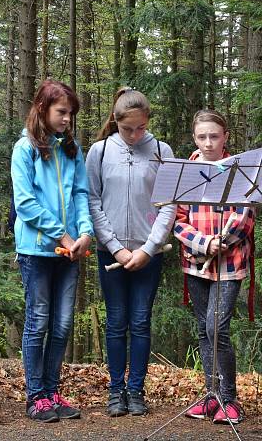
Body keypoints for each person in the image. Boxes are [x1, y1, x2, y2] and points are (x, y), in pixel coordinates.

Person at [85, 88, 176, 417]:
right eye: (128, 129)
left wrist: (148, 249)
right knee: (116, 321)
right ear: (116, 121)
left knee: (140, 321)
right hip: (111, 252)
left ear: (148, 121)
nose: (135, 135)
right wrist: (116, 248)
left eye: (141, 128)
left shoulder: (162, 151)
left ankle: (136, 390)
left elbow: (168, 205)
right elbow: (92, 201)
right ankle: (115, 391)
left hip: (149, 253)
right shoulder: (100, 150)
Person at [11, 79, 93, 423]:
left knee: (62, 325)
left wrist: (85, 232)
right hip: (36, 251)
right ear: (42, 109)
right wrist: (61, 235)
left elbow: (80, 195)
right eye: (62, 112)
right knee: (38, 321)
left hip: (70, 252)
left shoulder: (72, 149)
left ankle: (52, 391)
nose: (67, 119)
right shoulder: (24, 149)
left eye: (71, 114)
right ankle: (36, 396)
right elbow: (25, 203)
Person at [175, 110, 253, 425]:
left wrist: (222, 240)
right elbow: (177, 219)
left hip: (229, 262)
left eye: (214, 136)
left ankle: (229, 399)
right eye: (202, 136)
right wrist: (203, 243)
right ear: (195, 138)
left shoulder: (240, 171)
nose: (208, 143)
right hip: (196, 262)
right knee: (203, 331)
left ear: (225, 137)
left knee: (216, 328)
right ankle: (212, 395)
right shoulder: (185, 171)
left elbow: (245, 213)